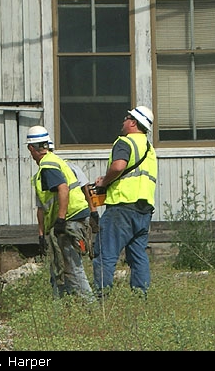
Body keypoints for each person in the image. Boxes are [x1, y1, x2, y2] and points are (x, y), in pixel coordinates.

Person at [92, 105, 158, 296]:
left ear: (133, 123)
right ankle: (140, 297)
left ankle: (102, 299)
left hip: (122, 207)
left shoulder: (125, 142)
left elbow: (119, 165)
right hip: (144, 210)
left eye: (126, 118)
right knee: (138, 256)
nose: (123, 121)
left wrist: (104, 181)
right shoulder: (149, 148)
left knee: (106, 253)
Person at [26, 126, 94, 300]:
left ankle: (92, 309)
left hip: (70, 220)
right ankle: (61, 307)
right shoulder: (51, 166)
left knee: (72, 268)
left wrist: (61, 220)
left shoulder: (49, 166)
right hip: (71, 218)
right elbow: (42, 206)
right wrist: (41, 234)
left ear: (31, 148)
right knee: (58, 267)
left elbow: (63, 189)